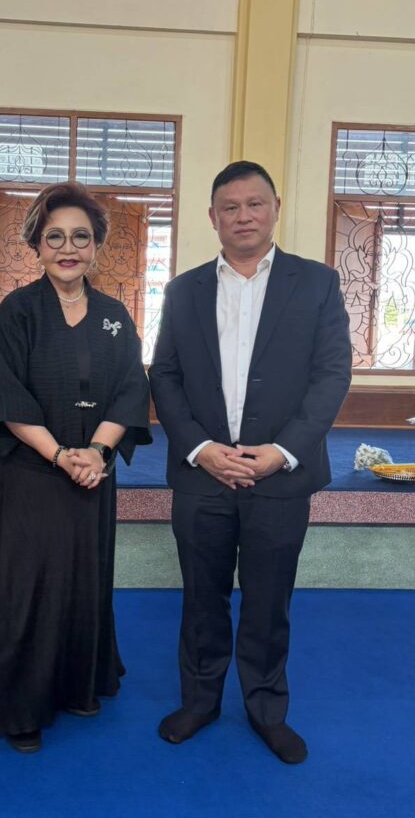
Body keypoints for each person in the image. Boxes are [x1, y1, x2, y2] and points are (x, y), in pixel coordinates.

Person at [149, 160, 351, 764]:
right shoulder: (184, 289)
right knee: (201, 598)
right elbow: (165, 375)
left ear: (275, 209)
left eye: (254, 203)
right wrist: (200, 449)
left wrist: (282, 452)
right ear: (213, 217)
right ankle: (200, 701)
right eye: (230, 207)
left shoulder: (317, 284)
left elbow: (331, 375)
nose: (243, 216)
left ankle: (266, 709)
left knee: (269, 601)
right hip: (202, 474)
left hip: (281, 475)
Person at [0, 182, 151, 753]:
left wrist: (97, 452)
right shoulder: (16, 313)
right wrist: (62, 456)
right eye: (55, 237)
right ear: (37, 246)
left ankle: (77, 683)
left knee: (83, 581)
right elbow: (6, 395)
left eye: (80, 237)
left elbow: (131, 389)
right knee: (28, 587)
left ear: (97, 246)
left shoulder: (115, 316)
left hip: (93, 472)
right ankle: (21, 706)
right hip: (31, 473)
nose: (68, 248)